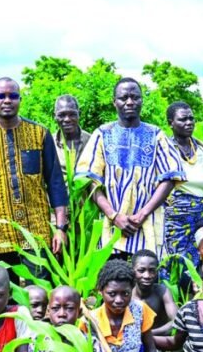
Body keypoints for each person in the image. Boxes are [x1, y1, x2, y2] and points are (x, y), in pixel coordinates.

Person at [0, 78, 68, 279]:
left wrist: (60, 229)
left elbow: (55, 184)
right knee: (1, 295)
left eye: (12, 96)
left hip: (36, 232)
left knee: (39, 292)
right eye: (1, 96)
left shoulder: (39, 134)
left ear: (20, 99)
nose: (7, 100)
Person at [76, 77, 186, 257]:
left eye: (135, 97)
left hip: (148, 224)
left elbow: (170, 177)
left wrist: (142, 215)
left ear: (142, 100)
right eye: (123, 98)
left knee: (146, 277)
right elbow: (88, 180)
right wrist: (114, 215)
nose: (130, 102)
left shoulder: (155, 134)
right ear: (114, 102)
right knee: (113, 279)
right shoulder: (102, 134)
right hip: (111, 226)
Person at [162, 102, 203, 270]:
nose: (189, 123)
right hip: (177, 219)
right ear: (171, 123)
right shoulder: (165, 150)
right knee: (178, 262)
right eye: (183, 119)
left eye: (191, 119)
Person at [52, 94, 90, 176]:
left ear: (79, 114)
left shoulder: (92, 142)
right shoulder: (48, 143)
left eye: (72, 114)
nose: (67, 119)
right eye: (61, 115)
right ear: (54, 116)